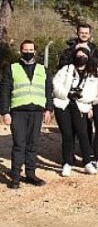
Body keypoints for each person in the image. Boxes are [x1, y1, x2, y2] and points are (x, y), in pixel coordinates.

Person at [1, 40, 54, 188]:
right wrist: (5, 112)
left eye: (31, 49)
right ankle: (15, 177)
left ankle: (30, 174)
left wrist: (49, 109)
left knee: (33, 144)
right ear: (20, 51)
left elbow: (48, 90)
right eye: (26, 49)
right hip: (18, 112)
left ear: (35, 52)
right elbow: (4, 91)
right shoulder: (12, 68)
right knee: (19, 144)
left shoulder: (43, 69)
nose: (28, 52)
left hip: (37, 112)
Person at [52, 46, 98, 176]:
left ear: (88, 57)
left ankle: (87, 162)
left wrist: (80, 96)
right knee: (67, 135)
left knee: (83, 134)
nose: (81, 59)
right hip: (64, 104)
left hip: (81, 106)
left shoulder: (92, 73)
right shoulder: (66, 69)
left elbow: (94, 92)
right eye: (78, 56)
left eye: (84, 56)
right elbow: (56, 85)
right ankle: (67, 163)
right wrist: (67, 94)